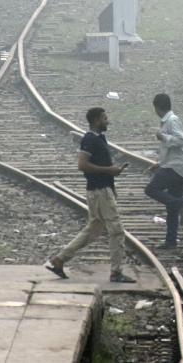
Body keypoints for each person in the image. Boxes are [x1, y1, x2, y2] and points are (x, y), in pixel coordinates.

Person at [45, 108, 135, 283]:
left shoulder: (99, 139)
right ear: (96, 120)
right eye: (104, 118)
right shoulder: (90, 139)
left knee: (93, 230)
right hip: (99, 191)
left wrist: (111, 182)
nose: (107, 121)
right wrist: (109, 171)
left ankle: (59, 259)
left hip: (100, 190)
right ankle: (116, 272)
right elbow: (82, 165)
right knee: (116, 231)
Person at [145, 93, 183, 250]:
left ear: (157, 107)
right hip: (176, 166)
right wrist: (159, 164)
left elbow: (180, 141)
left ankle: (182, 204)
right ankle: (171, 241)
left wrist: (163, 137)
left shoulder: (172, 121)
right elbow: (173, 151)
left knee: (151, 189)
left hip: (176, 168)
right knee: (171, 207)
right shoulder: (168, 121)